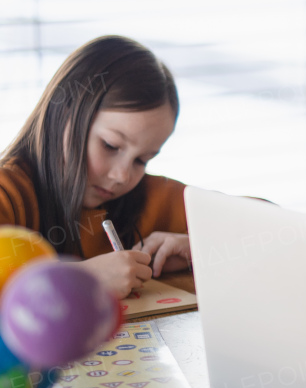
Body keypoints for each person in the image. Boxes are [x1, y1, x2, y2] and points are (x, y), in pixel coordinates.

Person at [1, 35, 190, 299]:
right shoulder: (8, 193)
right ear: (65, 114)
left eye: (142, 160)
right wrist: (79, 279)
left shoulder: (148, 196)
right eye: (111, 145)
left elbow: (259, 222)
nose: (122, 176)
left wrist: (196, 247)